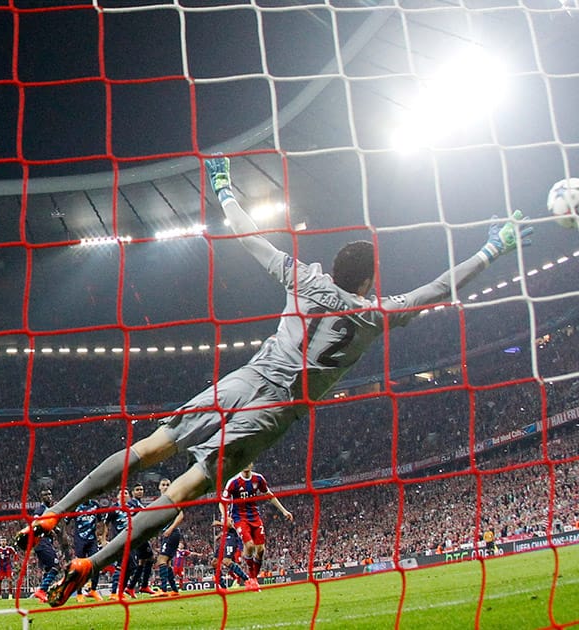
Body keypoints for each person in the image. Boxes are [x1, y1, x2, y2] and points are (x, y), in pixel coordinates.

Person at [29, 156, 532, 606]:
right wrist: (492, 249)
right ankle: (90, 566)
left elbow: (249, 237)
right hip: (272, 411)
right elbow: (438, 289)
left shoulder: (303, 278)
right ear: (367, 280)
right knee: (182, 490)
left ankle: (56, 510)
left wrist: (224, 186)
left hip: (240, 382)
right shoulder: (374, 312)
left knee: (152, 446)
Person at [219, 463, 292, 590]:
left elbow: (269, 495)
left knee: (261, 550)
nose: (246, 465)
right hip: (239, 518)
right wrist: (225, 516)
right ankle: (250, 578)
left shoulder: (258, 479)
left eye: (249, 462)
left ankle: (253, 578)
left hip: (255, 517)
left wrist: (284, 511)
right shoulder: (233, 482)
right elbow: (222, 502)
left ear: (252, 464)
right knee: (250, 545)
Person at [28, 488, 65, 603]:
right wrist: (49, 530)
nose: (49, 496)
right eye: (45, 495)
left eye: (50, 494)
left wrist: (55, 530)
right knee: (56, 566)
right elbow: (35, 522)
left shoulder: (49, 511)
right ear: (41, 498)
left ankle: (42, 597)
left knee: (48, 569)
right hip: (42, 541)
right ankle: (42, 590)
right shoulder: (41, 509)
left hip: (45, 542)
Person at [151, 477, 186, 597]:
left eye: (167, 484)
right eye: (163, 484)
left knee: (161, 560)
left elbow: (181, 515)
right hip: (167, 534)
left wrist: (170, 529)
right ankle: (175, 590)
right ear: (159, 487)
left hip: (172, 533)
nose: (165, 486)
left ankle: (163, 589)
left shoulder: (173, 499)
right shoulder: (160, 501)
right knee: (167, 563)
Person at [124, 483, 157, 596]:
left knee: (142, 561)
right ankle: (144, 586)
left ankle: (131, 587)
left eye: (141, 489)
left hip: (139, 535)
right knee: (151, 558)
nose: (140, 491)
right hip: (137, 535)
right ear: (133, 492)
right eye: (137, 489)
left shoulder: (139, 503)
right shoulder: (132, 504)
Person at [70, 498, 104, 603]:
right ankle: (79, 593)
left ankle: (93, 590)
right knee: (79, 567)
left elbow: (101, 520)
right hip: (79, 540)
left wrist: (100, 535)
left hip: (92, 540)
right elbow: (65, 520)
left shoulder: (95, 504)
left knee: (96, 564)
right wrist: (65, 537)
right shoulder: (75, 506)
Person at [212, 519, 251, 590]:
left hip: (231, 538)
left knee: (226, 561)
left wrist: (219, 523)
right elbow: (225, 529)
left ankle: (247, 579)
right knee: (214, 562)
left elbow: (230, 525)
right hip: (224, 540)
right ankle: (223, 587)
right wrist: (218, 536)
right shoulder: (223, 514)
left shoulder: (231, 512)